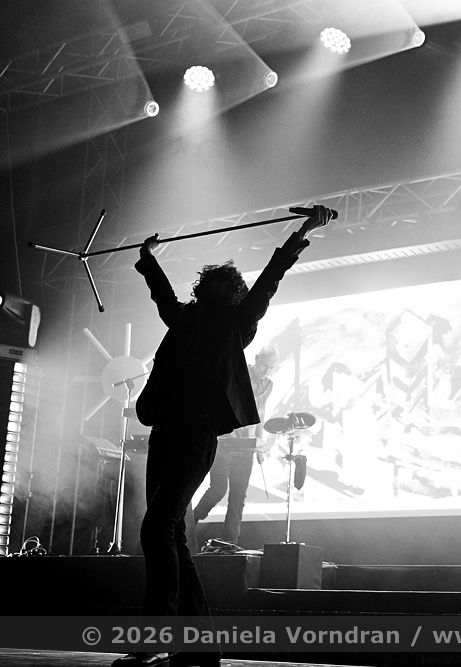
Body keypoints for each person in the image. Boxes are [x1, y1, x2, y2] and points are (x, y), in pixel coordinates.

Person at [113, 206, 332, 667]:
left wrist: (302, 231)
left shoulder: (237, 323)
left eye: (221, 285)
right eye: (209, 284)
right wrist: (148, 258)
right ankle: (200, 644)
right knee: (173, 534)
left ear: (231, 294)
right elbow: (162, 295)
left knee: (157, 528)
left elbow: (269, 280)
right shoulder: (184, 319)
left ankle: (155, 638)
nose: (212, 289)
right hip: (164, 433)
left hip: (195, 436)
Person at [192, 346, 279, 547]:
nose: (267, 371)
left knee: (238, 497)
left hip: (246, 446)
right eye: (264, 366)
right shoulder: (238, 374)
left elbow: (261, 413)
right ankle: (192, 519)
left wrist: (259, 443)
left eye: (271, 368)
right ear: (256, 358)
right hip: (225, 441)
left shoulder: (268, 385)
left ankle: (230, 542)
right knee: (218, 489)